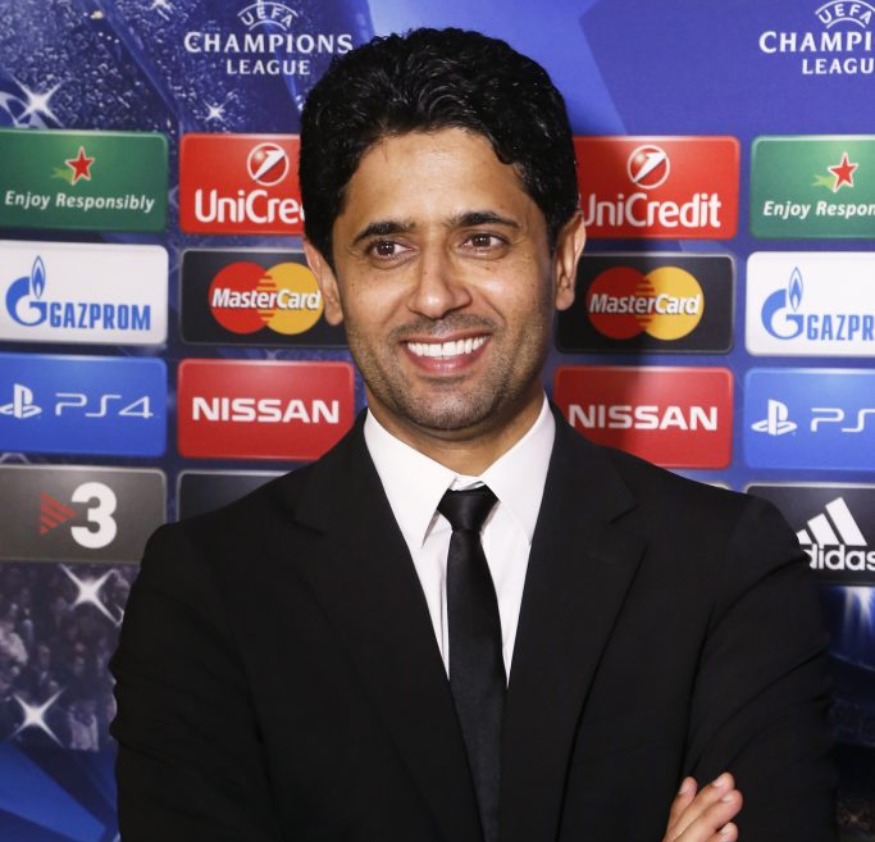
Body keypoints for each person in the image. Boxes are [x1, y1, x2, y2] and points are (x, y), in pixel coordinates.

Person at [110, 27, 836, 842]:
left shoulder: (725, 566)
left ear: (563, 258)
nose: (434, 296)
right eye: (387, 248)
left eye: (481, 240)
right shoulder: (209, 589)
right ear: (326, 279)